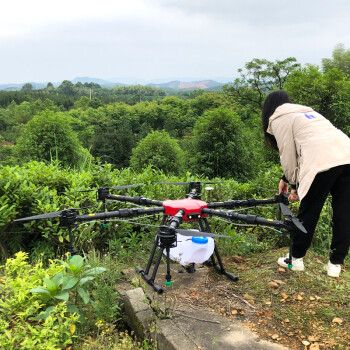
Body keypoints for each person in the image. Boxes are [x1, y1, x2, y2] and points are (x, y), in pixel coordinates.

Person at [261, 90, 350, 277]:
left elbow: (288, 157)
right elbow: (309, 145)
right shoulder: (307, 112)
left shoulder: (278, 118)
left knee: (309, 211)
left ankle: (296, 259)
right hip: (346, 155)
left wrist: (294, 185)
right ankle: (335, 265)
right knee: (344, 212)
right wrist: (287, 179)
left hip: (321, 162)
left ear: (269, 108)